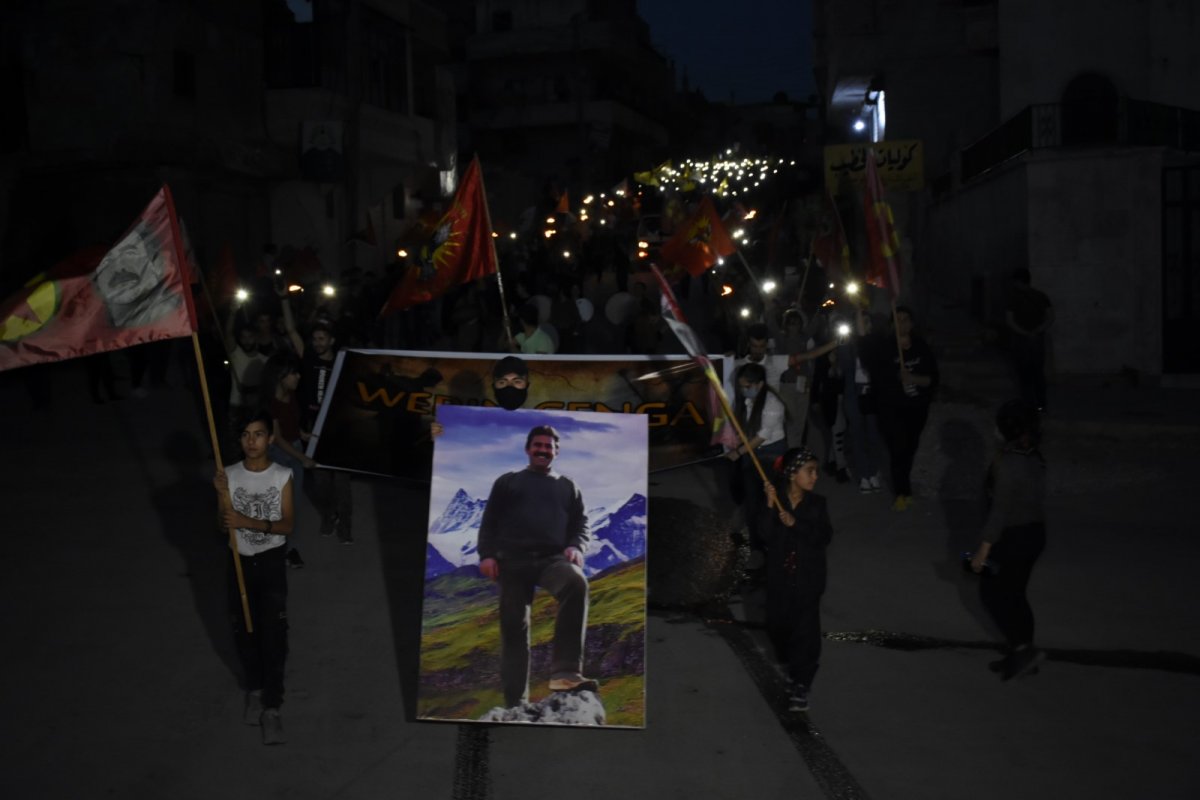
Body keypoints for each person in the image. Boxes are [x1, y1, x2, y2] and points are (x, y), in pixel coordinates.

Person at [476, 425, 595, 707]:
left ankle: (566, 673)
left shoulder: (568, 486)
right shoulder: (508, 482)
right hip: (511, 562)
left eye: (548, 446)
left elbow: (581, 524)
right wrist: (487, 555)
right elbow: (489, 521)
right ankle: (516, 703)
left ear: (556, 451)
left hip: (551, 560)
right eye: (537, 445)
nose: (543, 450)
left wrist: (576, 546)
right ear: (528, 449)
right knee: (514, 628)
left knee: (576, 583)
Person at [213, 409, 295, 745]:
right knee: (244, 631)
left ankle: (272, 707)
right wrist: (221, 497)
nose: (251, 441)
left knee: (273, 634)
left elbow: (287, 525)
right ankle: (255, 689)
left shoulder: (282, 475)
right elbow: (222, 526)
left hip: (271, 562)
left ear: (270, 438)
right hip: (239, 562)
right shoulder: (228, 475)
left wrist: (247, 521)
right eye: (246, 435)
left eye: (258, 434)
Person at [970, 399, 1047, 680]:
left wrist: (982, 551)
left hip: (1011, 538)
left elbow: (999, 511)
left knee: (991, 594)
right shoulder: (1033, 455)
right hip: (1034, 534)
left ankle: (1022, 649)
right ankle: (1021, 656)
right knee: (1016, 594)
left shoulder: (1007, 462)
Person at [762, 448, 833, 713]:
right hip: (779, 579)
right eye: (809, 471)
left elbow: (823, 537)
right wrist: (769, 506)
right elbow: (764, 536)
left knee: (806, 633)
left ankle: (802, 682)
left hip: (808, 579)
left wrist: (796, 524)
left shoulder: (817, 504)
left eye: (816, 471)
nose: (815, 476)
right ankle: (790, 661)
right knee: (778, 626)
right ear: (792, 474)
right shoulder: (776, 500)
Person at [862, 306, 939, 510]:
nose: (902, 323)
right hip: (891, 409)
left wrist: (913, 378)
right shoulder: (884, 348)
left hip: (916, 408)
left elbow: (931, 379)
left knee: (910, 448)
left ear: (912, 324)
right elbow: (872, 364)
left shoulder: (921, 347)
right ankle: (902, 492)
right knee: (897, 448)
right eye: (898, 319)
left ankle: (904, 487)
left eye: (905, 319)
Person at [297, 320, 354, 544]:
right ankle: (329, 517)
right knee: (320, 481)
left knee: (341, 482)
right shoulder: (309, 360)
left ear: (332, 341)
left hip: (339, 430)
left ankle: (345, 526)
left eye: (322, 339)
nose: (317, 343)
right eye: (315, 339)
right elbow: (292, 332)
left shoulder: (343, 364)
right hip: (314, 428)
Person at [727, 361, 789, 561]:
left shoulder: (773, 404)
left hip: (772, 455)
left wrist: (739, 452)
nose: (744, 390)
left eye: (747, 386)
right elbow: (746, 431)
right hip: (752, 454)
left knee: (771, 502)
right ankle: (757, 548)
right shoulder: (747, 401)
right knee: (752, 503)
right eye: (741, 386)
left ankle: (776, 544)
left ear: (760, 384)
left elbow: (762, 435)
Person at [261, 352, 313, 568]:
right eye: (293, 373)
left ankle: (287, 548)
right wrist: (303, 458)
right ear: (280, 376)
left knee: (293, 506)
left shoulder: (291, 395)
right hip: (280, 455)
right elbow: (278, 438)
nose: (298, 377)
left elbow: (290, 424)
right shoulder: (270, 403)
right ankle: (277, 550)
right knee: (280, 507)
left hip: (294, 449)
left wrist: (302, 434)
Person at [1005, 268, 1054, 412]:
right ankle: (1041, 405)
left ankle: (1028, 405)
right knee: (1038, 373)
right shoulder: (1041, 296)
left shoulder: (1013, 298)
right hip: (1037, 339)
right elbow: (1050, 317)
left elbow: (1010, 320)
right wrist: (1037, 331)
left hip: (1021, 340)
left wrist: (1024, 333)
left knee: (1024, 374)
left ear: (1018, 281)